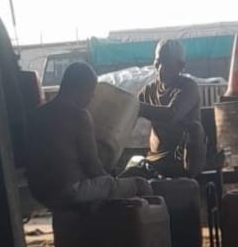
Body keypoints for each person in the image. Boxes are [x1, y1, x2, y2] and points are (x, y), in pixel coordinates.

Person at [27, 61, 149, 209]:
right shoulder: (79, 116)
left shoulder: (37, 114)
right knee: (140, 185)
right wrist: (111, 181)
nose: (92, 97)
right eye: (91, 91)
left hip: (39, 192)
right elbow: (92, 165)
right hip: (70, 190)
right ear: (81, 89)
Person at [122, 39, 206, 179]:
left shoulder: (188, 87)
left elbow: (172, 115)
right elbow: (129, 111)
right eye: (158, 62)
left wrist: (139, 107)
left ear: (180, 66)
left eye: (167, 64)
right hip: (154, 159)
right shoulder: (150, 90)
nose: (160, 68)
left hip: (182, 160)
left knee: (196, 129)